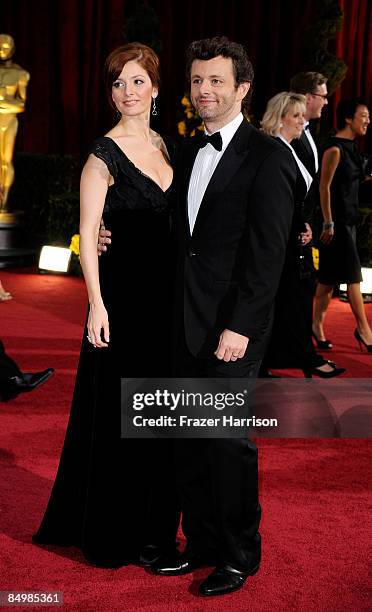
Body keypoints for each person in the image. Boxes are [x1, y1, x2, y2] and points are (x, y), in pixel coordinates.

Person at [151, 36, 296, 597]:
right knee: (188, 439)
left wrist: (241, 327)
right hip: (184, 320)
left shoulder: (268, 155)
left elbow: (269, 256)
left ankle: (240, 556)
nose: (204, 90)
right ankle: (203, 544)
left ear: (242, 89)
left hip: (233, 329)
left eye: (216, 81)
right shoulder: (186, 151)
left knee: (228, 443)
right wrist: (109, 236)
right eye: (196, 81)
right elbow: (176, 236)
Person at [33, 43, 180, 568]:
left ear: (156, 88)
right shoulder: (103, 154)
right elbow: (88, 231)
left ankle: (157, 528)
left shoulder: (170, 147)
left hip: (170, 305)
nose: (128, 93)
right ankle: (118, 533)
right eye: (119, 84)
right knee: (123, 417)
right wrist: (96, 304)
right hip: (122, 303)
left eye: (138, 82)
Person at [260, 92, 345, 378]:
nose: (301, 121)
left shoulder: (289, 148)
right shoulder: (273, 148)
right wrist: (298, 227)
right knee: (286, 301)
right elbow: (276, 201)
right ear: (280, 117)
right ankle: (292, 358)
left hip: (294, 239)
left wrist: (303, 225)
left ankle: (289, 357)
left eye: (301, 115)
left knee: (293, 301)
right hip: (281, 243)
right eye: (295, 116)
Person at [313, 98, 372, 353]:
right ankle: (365, 330)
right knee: (353, 277)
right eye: (364, 115)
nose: (367, 120)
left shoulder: (353, 149)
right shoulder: (334, 149)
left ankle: (315, 326)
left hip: (348, 223)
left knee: (327, 280)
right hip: (334, 226)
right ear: (349, 118)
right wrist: (328, 222)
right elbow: (323, 187)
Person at [290, 71, 334, 349]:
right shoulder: (291, 136)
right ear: (308, 97)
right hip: (294, 229)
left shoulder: (308, 133)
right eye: (323, 96)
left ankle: (299, 348)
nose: (326, 102)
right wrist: (299, 224)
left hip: (305, 227)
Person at [0, 34, 30, 210]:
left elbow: (21, 104)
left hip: (8, 121)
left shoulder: (20, 74)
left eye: (5, 46)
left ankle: (4, 201)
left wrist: (3, 102)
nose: (2, 49)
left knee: (6, 160)